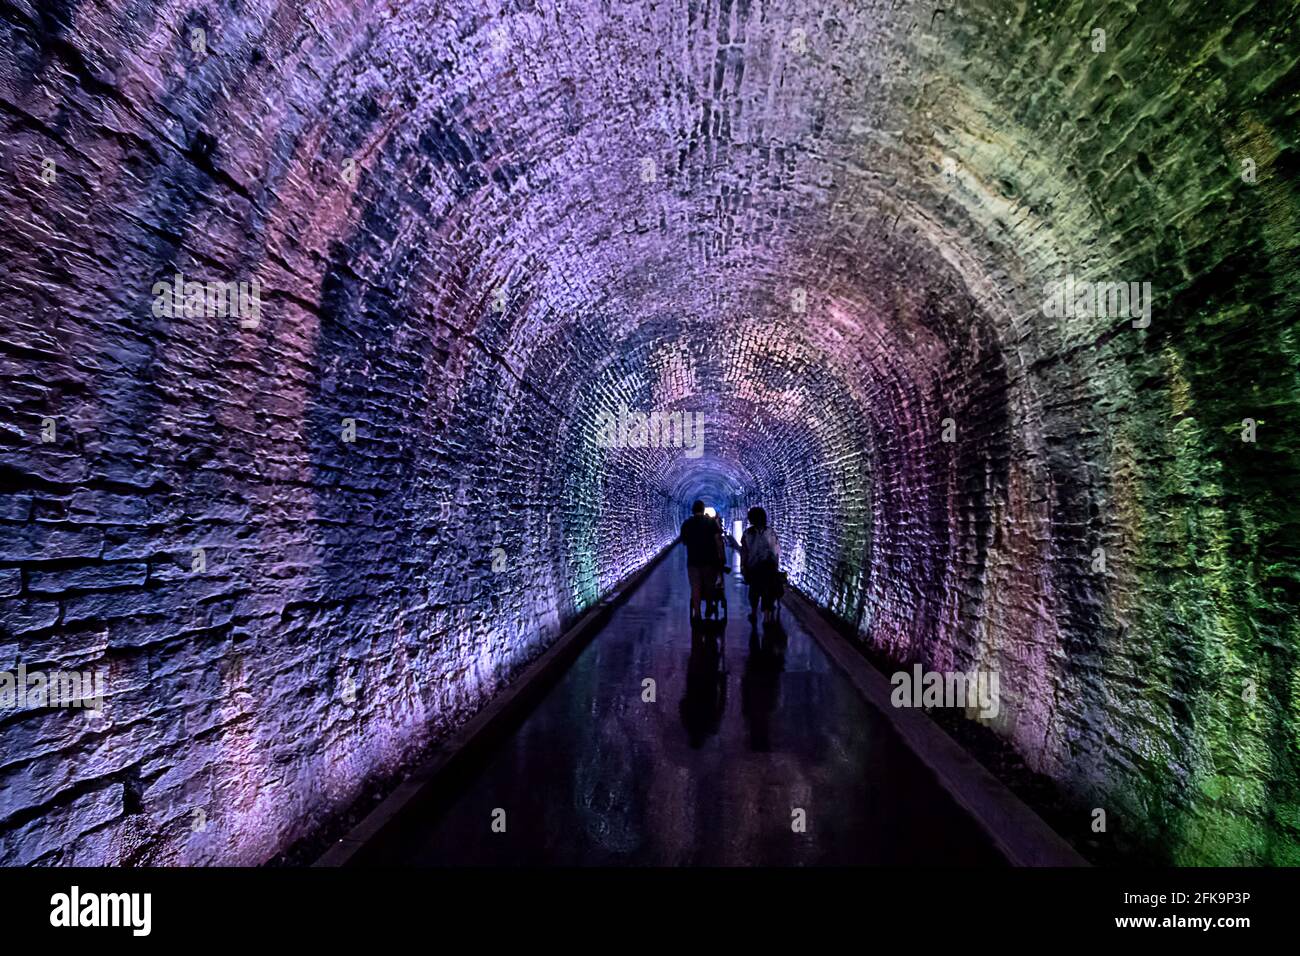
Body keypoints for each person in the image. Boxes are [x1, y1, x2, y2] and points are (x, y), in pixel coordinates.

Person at [680, 500, 725, 621]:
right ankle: (709, 607)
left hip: (693, 560)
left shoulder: (687, 523)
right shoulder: (711, 522)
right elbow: (718, 541)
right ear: (703, 509)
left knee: (695, 587)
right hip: (710, 560)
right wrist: (721, 557)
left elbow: (683, 541)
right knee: (710, 585)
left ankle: (697, 614)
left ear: (692, 510)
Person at [740, 507, 781, 624]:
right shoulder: (770, 532)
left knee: (755, 590)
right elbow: (776, 550)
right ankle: (766, 615)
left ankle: (754, 613)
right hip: (768, 567)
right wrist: (776, 566)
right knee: (767, 591)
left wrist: (743, 566)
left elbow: (744, 551)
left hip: (755, 567)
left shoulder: (748, 533)